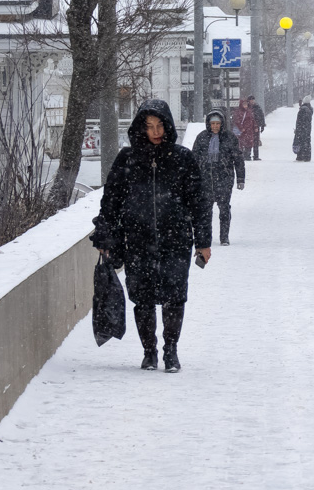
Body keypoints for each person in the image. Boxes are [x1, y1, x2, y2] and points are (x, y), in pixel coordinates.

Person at [91, 99, 210, 373]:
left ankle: (171, 351)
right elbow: (111, 201)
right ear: (141, 129)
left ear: (168, 126)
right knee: (143, 299)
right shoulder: (127, 159)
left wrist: (203, 242)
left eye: (160, 126)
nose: (155, 132)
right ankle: (149, 352)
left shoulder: (182, 158)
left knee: (174, 297)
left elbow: (199, 203)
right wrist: (104, 235)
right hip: (138, 240)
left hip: (176, 240)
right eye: (149, 127)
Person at [191, 109, 245, 246]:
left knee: (224, 209)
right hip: (205, 180)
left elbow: (238, 159)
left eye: (218, 123)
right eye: (212, 123)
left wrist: (240, 178)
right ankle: (206, 237)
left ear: (222, 124)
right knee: (205, 211)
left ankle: (224, 237)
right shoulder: (202, 138)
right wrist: (192, 178)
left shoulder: (230, 138)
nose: (215, 126)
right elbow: (193, 159)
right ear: (208, 124)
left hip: (224, 179)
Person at [293, 95, 314, 161]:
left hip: (301, 129)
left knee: (300, 141)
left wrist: (297, 129)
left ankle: (300, 156)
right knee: (307, 142)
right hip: (307, 129)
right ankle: (307, 156)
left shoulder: (302, 110)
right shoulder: (310, 109)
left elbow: (299, 121)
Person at [249, 95, 267, 160]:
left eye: (253, 100)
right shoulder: (252, 107)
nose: (252, 101)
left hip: (255, 127)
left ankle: (255, 155)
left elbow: (261, 116)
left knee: (255, 141)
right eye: (251, 100)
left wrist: (262, 125)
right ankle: (249, 155)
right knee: (250, 141)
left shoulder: (256, 107)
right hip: (250, 127)